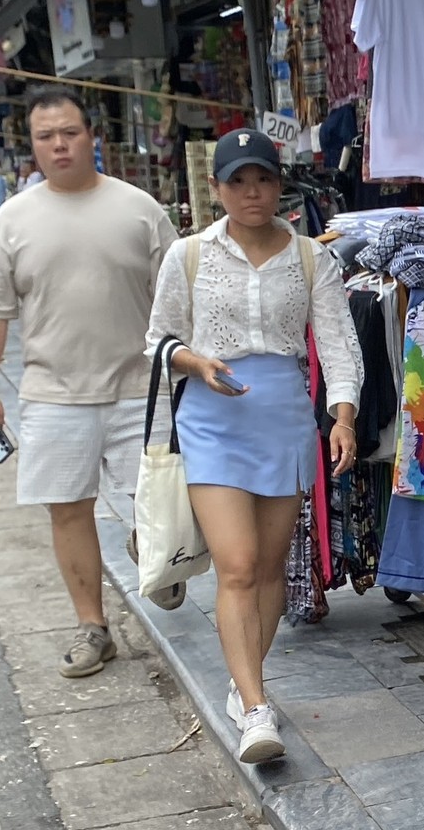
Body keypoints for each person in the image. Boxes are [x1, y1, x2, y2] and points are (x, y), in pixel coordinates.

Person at [144, 128, 365, 762]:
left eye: (262, 179)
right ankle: (257, 709)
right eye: (237, 181)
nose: (251, 192)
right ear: (215, 189)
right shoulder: (188, 255)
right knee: (237, 564)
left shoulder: (311, 259)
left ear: (280, 185)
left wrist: (342, 419)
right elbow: (156, 341)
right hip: (213, 419)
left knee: (269, 569)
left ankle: (247, 686)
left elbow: (340, 346)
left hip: (285, 419)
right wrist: (196, 362)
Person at [0, 88, 180, 677]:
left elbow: (178, 301)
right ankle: (94, 628)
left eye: (69, 133)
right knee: (68, 512)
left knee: (164, 498)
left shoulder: (140, 210)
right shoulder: (12, 221)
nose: (59, 145)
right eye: (45, 137)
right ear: (32, 146)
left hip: (142, 389)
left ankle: (158, 556)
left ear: (93, 137)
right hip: (54, 395)